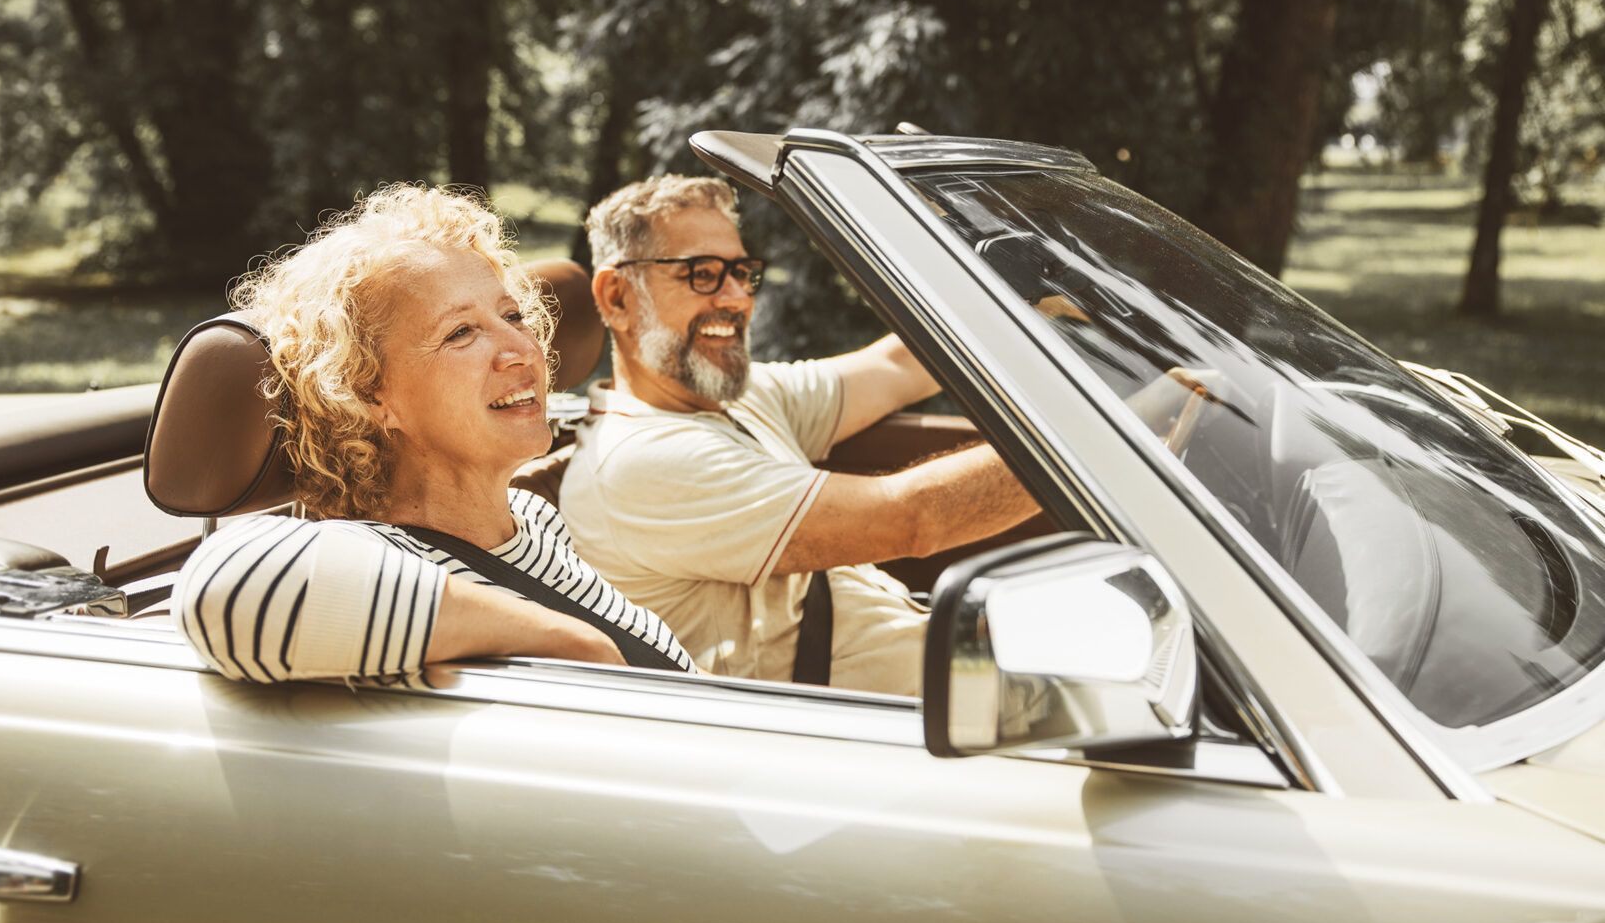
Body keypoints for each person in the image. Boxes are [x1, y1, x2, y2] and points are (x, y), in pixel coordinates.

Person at [172, 185, 695, 684]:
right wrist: (577, 644)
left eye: (512, 315)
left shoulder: (534, 524)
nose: (521, 349)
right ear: (369, 393)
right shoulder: (379, 555)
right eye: (460, 332)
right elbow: (224, 586)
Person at [557, 175, 1041, 695]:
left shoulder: (735, 396)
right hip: (878, 738)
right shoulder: (639, 462)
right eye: (702, 274)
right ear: (617, 298)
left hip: (960, 675)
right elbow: (914, 519)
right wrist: (1098, 451)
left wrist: (1021, 289)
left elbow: (897, 367)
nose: (738, 297)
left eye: (742, 273)